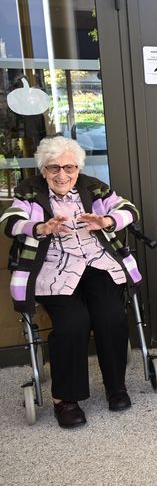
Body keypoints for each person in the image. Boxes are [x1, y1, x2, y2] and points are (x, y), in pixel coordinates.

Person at [1, 137, 142, 428]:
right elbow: (9, 221)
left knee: (111, 316)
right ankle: (66, 399)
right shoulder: (29, 191)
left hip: (97, 264)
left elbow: (129, 209)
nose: (62, 174)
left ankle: (116, 386)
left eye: (69, 167)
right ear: (43, 170)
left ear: (78, 168)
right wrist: (40, 227)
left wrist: (107, 221)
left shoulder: (94, 187)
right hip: (54, 268)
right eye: (54, 167)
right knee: (73, 323)